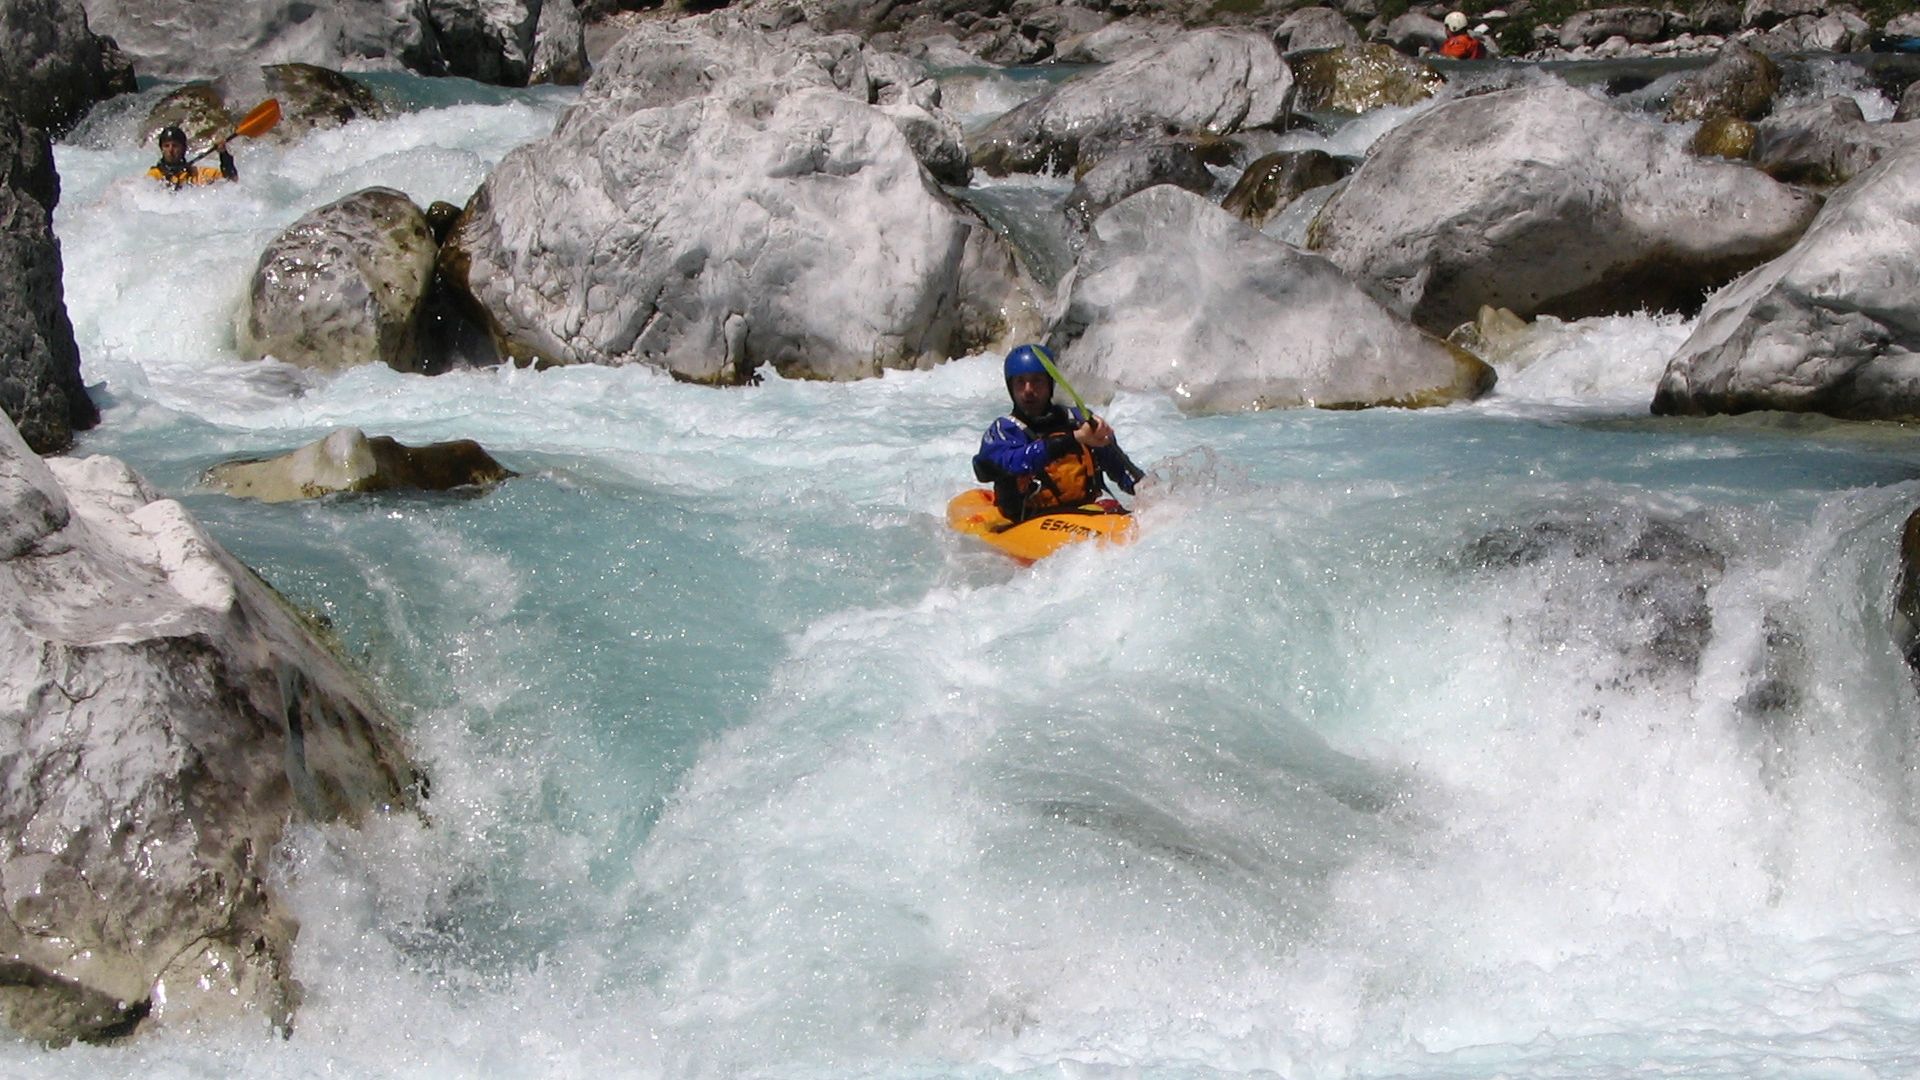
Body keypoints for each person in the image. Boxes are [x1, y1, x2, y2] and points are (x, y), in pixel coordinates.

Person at [973, 343, 1144, 524]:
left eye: (1037, 380)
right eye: (1020, 382)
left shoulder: (1078, 421)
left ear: (1050, 383)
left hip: (1082, 512)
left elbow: (1120, 468)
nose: (1028, 389)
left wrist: (1147, 491)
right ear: (1011, 387)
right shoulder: (1004, 430)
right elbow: (1012, 463)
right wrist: (1073, 439)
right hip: (1028, 520)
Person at [147, 125, 237, 188]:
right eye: (166, 146)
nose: (170, 150)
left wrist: (223, 154)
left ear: (183, 148)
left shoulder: (198, 174)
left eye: (175, 145)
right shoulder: (154, 175)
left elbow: (231, 180)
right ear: (161, 149)